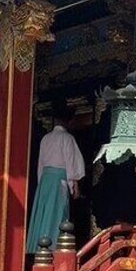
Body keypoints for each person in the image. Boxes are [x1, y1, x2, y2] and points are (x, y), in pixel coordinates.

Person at [26, 105, 85, 253]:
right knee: (58, 212)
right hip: (60, 180)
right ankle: (53, 247)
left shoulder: (46, 138)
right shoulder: (67, 138)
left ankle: (37, 246)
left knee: (44, 212)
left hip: (45, 180)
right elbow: (71, 162)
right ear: (69, 121)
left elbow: (40, 164)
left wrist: (41, 184)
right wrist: (74, 184)